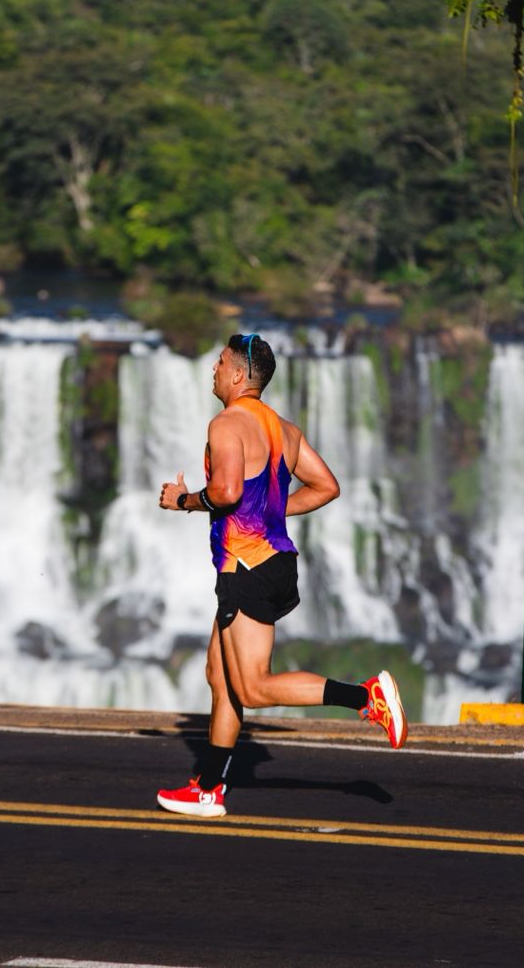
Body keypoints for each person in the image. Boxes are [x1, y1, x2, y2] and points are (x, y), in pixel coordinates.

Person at [154, 332, 407, 819]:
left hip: (245, 567)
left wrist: (182, 501)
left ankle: (366, 696)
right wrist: (273, 511)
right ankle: (207, 789)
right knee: (219, 677)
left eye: (221, 360)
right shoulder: (283, 429)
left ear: (236, 374)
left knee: (251, 687)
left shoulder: (226, 423)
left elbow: (225, 492)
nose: (213, 367)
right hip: (271, 560)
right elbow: (326, 486)